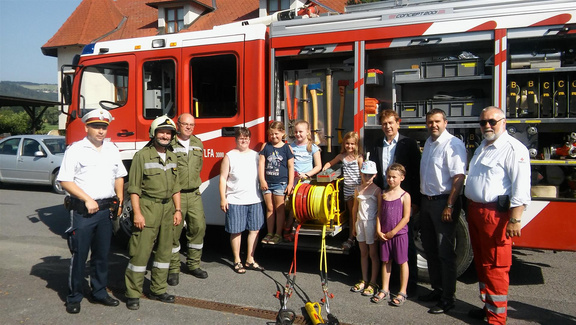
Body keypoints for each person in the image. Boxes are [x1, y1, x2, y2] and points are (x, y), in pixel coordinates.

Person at [465, 106, 530, 325]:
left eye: (492, 121)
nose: (487, 126)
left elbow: (521, 188)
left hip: (496, 216)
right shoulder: (483, 146)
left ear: (504, 121)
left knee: (496, 267)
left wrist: (515, 219)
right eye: (483, 122)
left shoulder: (513, 149)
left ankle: (497, 319)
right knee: (483, 264)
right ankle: (488, 307)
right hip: (476, 212)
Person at [57, 109, 127, 314]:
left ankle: (99, 292)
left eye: (104, 126)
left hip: (106, 210)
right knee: (79, 255)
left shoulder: (112, 149)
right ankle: (74, 296)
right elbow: (65, 180)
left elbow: (120, 176)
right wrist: (87, 199)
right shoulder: (76, 150)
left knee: (101, 255)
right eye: (96, 126)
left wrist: (120, 200)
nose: (101, 131)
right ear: (86, 127)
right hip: (83, 211)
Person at [124, 115, 182, 310]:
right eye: (162, 132)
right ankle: (132, 293)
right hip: (148, 208)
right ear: (154, 133)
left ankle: (157, 289)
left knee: (165, 251)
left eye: (169, 133)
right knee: (140, 252)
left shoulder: (173, 156)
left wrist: (178, 210)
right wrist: (137, 214)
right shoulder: (142, 156)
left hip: (168, 209)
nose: (165, 136)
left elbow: (176, 187)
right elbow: (133, 189)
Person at [418, 108, 467, 314]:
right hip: (427, 202)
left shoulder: (453, 144)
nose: (433, 125)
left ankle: (448, 298)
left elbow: (458, 177)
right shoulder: (429, 143)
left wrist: (449, 205)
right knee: (430, 250)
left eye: (437, 121)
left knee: (445, 252)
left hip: (443, 203)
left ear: (445, 122)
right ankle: (437, 290)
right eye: (430, 122)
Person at [368, 109, 421, 295]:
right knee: (386, 245)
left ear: (398, 123)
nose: (388, 127)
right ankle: (386, 285)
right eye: (384, 124)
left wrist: (415, 201)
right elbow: (374, 172)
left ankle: (409, 285)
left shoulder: (409, 144)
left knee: (406, 244)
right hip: (386, 198)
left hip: (403, 198)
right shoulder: (376, 145)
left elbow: (415, 173)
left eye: (391, 123)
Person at [219, 127, 265, 274]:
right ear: (236, 139)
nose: (244, 140)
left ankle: (250, 260)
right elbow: (222, 178)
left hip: (255, 199)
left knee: (255, 230)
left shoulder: (256, 156)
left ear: (250, 140)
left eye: (246, 138)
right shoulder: (229, 156)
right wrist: (223, 198)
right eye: (241, 138)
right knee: (236, 231)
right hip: (235, 200)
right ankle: (237, 260)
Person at [169, 113, 208, 284]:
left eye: (192, 124)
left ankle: (193, 264)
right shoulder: (170, 144)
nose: (189, 127)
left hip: (193, 194)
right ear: (178, 125)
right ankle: (173, 268)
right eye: (185, 124)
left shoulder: (198, 143)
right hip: (175, 194)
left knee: (198, 227)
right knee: (173, 231)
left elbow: (199, 166)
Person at [373, 163, 411, 306]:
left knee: (402, 262)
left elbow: (406, 217)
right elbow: (379, 214)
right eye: (389, 177)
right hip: (384, 235)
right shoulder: (383, 194)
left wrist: (393, 232)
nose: (391, 180)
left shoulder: (405, 196)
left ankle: (402, 291)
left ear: (402, 178)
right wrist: (378, 230)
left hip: (399, 235)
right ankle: (384, 288)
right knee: (386, 261)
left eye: (394, 177)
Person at [322, 131, 363, 249]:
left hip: (357, 190)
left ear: (356, 145)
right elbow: (331, 162)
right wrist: (326, 166)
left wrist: (362, 189)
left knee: (358, 214)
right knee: (351, 215)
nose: (349, 146)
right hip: (347, 190)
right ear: (344, 144)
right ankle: (351, 237)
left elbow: (362, 175)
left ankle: (358, 237)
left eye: (352, 144)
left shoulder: (359, 158)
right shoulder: (342, 156)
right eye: (347, 144)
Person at [349, 161, 381, 298]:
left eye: (370, 175)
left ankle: (373, 282)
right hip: (360, 223)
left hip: (371, 223)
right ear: (361, 174)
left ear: (375, 175)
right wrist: (355, 225)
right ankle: (364, 279)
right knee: (363, 252)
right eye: (365, 175)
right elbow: (354, 208)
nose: (367, 178)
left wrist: (377, 228)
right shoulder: (358, 189)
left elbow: (380, 210)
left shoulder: (377, 190)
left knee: (373, 253)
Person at [259, 121, 294, 245]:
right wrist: (262, 180)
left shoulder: (286, 147)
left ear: (283, 133)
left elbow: (291, 166)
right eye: (271, 134)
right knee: (269, 208)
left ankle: (278, 234)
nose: (274, 137)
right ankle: (269, 233)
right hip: (267, 183)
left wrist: (290, 184)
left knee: (279, 209)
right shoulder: (265, 146)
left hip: (281, 183)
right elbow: (261, 164)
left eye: (277, 134)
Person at [285, 120, 322, 241]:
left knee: (299, 207)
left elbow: (318, 166)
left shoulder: (313, 147)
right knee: (291, 206)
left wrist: (306, 174)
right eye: (295, 132)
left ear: (307, 132)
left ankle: (293, 229)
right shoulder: (290, 146)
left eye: (300, 131)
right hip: (293, 181)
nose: (298, 134)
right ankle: (288, 229)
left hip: (306, 183)